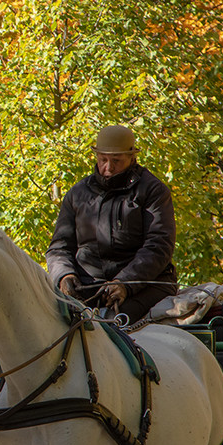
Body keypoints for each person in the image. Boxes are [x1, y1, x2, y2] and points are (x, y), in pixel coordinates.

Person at [45, 124, 178, 322]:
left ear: (132, 158)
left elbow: (158, 246)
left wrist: (125, 283)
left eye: (116, 161)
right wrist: (64, 275)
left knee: (113, 322)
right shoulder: (77, 194)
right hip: (87, 287)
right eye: (103, 160)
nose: (108, 168)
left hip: (145, 286)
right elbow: (59, 247)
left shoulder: (153, 191)